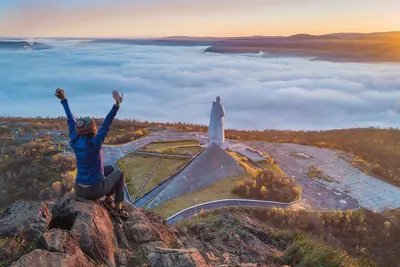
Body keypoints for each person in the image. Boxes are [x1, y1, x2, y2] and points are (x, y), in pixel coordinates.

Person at [55, 88, 128, 218]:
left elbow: (71, 121)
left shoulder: (75, 140)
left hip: (79, 187)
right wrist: (117, 105)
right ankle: (118, 209)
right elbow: (106, 124)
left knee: (110, 169)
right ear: (93, 129)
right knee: (119, 174)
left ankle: (108, 199)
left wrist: (64, 100)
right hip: (93, 191)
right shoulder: (95, 143)